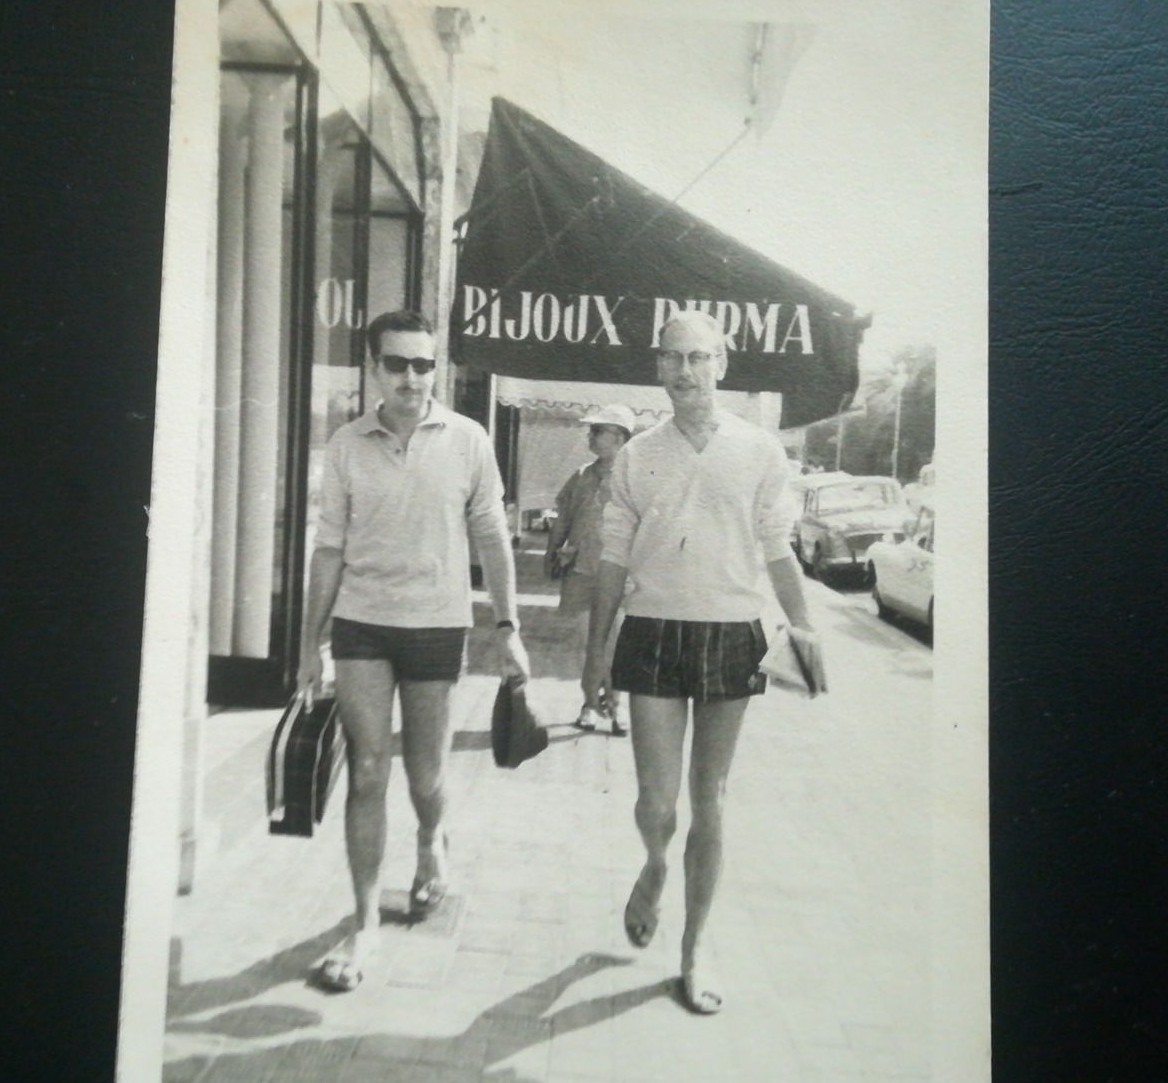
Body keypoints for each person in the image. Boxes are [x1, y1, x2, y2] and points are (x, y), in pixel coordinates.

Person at [582, 309, 828, 1016]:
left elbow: (778, 545)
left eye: (699, 358)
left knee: (710, 800)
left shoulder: (758, 450)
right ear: (657, 367)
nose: (686, 372)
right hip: (651, 631)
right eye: (673, 359)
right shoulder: (636, 455)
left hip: (731, 633)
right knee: (659, 807)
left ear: (722, 364)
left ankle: (692, 951)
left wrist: (805, 628)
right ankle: (655, 866)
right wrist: (596, 651)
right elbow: (611, 558)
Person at [296, 310, 530, 992]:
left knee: (425, 778)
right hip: (362, 625)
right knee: (368, 772)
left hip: (436, 626)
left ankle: (432, 843)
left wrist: (508, 629)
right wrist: (311, 644)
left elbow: (493, 537)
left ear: (437, 367)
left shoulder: (468, 439)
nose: (410, 377)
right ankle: (364, 922)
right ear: (373, 368)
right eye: (395, 363)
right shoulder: (345, 444)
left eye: (422, 364)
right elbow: (329, 547)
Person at [545, 404, 636, 735]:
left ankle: (616, 705)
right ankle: (590, 704)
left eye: (599, 431)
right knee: (590, 643)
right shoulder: (582, 475)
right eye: (592, 431)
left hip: (620, 577)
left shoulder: (636, 478)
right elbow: (563, 519)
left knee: (614, 645)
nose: (591, 436)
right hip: (581, 572)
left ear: (621, 438)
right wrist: (552, 553)